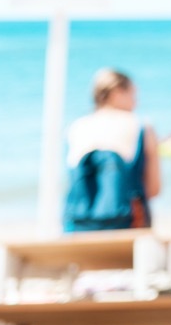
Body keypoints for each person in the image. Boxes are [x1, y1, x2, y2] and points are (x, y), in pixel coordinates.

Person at [63, 69, 161, 231]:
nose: (136, 103)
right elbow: (153, 189)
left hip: (77, 227)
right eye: (133, 95)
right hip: (126, 226)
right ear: (117, 92)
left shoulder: (74, 128)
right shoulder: (141, 126)